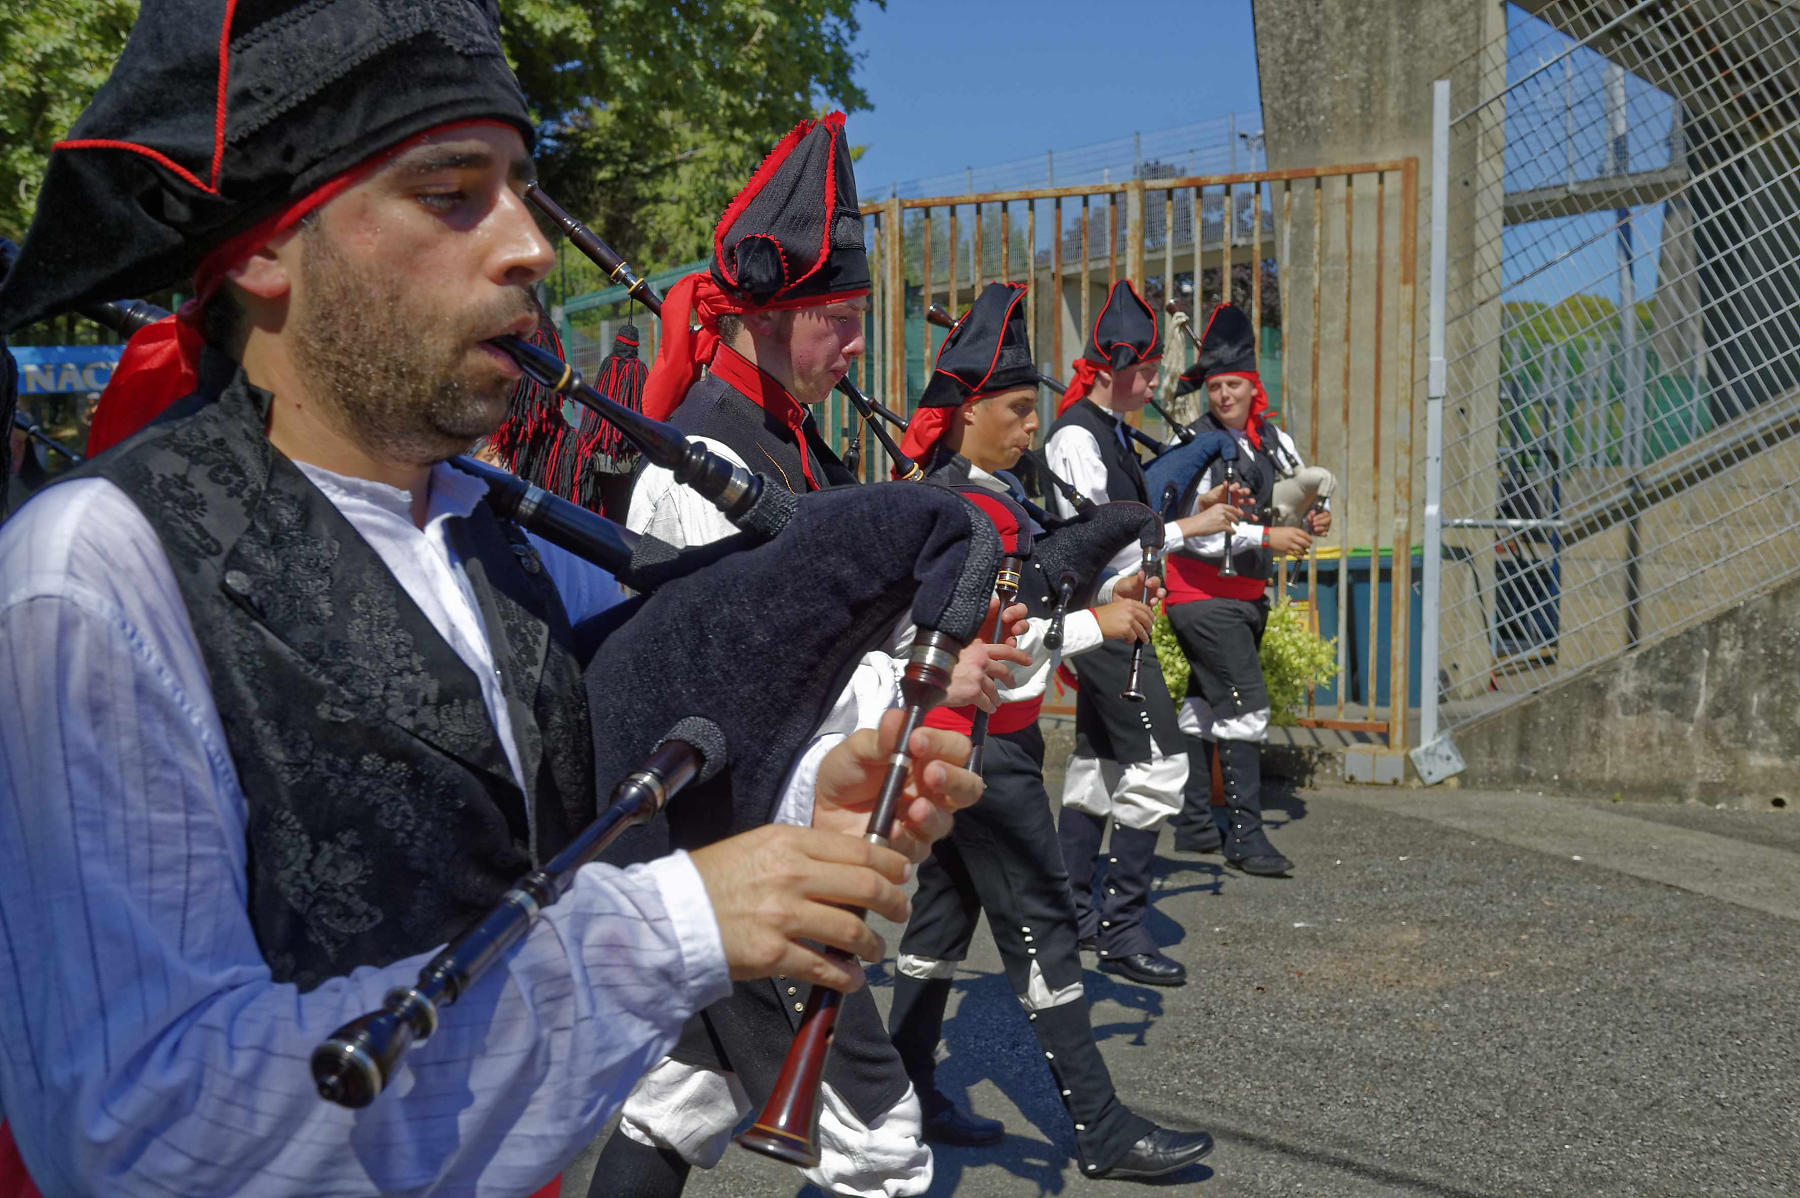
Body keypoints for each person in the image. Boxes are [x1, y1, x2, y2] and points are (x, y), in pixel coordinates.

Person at [0, 3, 981, 1194]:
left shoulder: (498, 536)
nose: (527, 245)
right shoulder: (95, 571)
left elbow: (571, 828)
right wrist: (679, 926)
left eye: (518, 186)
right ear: (266, 248)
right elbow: (143, 1130)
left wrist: (795, 820)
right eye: (451, 191)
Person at [595, 112, 1027, 1198]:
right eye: (832, 317)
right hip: (736, 834)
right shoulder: (696, 459)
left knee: (682, 1095)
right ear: (759, 314)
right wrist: (918, 677)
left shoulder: (797, 441)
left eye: (853, 316)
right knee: (880, 1147)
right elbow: (717, 675)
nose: (853, 344)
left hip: (798, 819)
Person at [885, 281, 1219, 1181]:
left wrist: (1101, 595)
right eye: (1016, 411)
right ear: (965, 415)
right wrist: (1095, 626)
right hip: (985, 747)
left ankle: (902, 1093)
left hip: (973, 747)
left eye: (1034, 410)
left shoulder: (984, 497)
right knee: (1042, 926)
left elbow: (1031, 597)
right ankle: (1102, 1131)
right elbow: (1000, 646)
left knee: (939, 927)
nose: (1032, 427)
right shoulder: (967, 511)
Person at [1043, 280, 1239, 985]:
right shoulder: (1073, 437)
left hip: (1115, 618)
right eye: (1147, 368)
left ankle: (1075, 915)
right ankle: (1122, 931)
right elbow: (1098, 543)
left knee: (1099, 764)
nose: (1155, 381)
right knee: (1160, 767)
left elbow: (1129, 524)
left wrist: (1201, 509)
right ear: (1112, 366)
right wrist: (1192, 527)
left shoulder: (1109, 433)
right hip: (1098, 618)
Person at [1161, 304, 1331, 876]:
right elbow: (1199, 531)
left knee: (1206, 704)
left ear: (1253, 387)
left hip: (1240, 595)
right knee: (1245, 705)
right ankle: (1245, 837)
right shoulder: (1197, 444)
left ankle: (1193, 824)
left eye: (1234, 384)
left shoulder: (1273, 441)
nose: (1224, 395)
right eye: (1215, 386)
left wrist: (1309, 521)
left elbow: (1291, 500)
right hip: (1201, 595)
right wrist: (1269, 533)